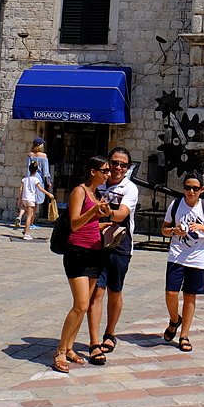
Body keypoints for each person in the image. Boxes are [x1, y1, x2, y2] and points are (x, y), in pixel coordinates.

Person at [52, 155, 111, 373]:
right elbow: (75, 223)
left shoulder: (97, 195)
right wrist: (93, 212)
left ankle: (69, 347)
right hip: (77, 252)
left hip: (95, 252)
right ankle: (59, 350)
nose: (107, 174)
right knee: (81, 304)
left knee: (85, 304)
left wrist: (103, 222)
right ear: (92, 171)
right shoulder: (80, 191)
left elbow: (89, 223)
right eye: (104, 170)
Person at [161, 170, 204, 353]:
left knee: (189, 296)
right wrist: (173, 231)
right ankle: (174, 319)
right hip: (177, 255)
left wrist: (201, 227)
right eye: (188, 188)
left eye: (195, 188)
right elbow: (164, 229)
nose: (191, 192)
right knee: (171, 293)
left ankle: (184, 335)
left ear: (201, 189)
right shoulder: (176, 204)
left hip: (197, 257)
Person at [87, 146, 139, 355]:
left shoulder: (130, 188)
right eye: (115, 163)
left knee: (114, 290)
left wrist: (105, 210)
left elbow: (122, 214)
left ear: (127, 168)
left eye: (123, 165)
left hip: (120, 243)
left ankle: (110, 333)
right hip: (96, 242)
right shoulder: (98, 184)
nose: (118, 168)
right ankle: (93, 341)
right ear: (108, 163)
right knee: (96, 291)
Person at [15, 137, 52, 228]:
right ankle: (31, 223)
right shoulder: (43, 156)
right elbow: (46, 171)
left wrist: (27, 179)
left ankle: (23, 218)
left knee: (29, 201)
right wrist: (48, 182)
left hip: (29, 178)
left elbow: (28, 168)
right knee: (35, 203)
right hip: (38, 179)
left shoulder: (30, 155)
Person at [18, 161, 54, 240]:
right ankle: (26, 234)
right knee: (29, 217)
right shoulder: (36, 179)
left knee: (24, 209)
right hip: (31, 199)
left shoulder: (24, 179)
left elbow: (21, 189)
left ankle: (23, 227)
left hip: (24, 198)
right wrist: (49, 194)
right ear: (36, 170)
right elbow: (40, 189)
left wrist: (19, 199)